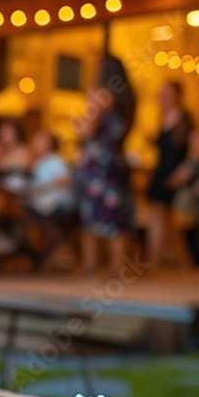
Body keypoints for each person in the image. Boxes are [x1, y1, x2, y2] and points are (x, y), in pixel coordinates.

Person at [76, 55, 136, 275]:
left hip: (98, 166)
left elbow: (88, 130)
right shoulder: (127, 97)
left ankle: (91, 265)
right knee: (116, 218)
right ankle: (117, 266)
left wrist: (80, 126)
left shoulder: (100, 95)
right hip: (117, 163)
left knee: (92, 216)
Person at [145, 81, 199, 269]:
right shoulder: (162, 117)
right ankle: (184, 260)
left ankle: (154, 260)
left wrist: (183, 174)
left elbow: (196, 152)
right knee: (165, 218)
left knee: (163, 217)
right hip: (160, 171)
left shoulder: (186, 119)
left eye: (167, 93)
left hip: (175, 173)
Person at [28, 130, 76, 269]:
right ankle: (50, 254)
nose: (38, 145)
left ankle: (57, 251)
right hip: (43, 203)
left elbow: (65, 180)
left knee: (33, 216)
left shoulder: (55, 160)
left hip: (59, 203)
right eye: (36, 141)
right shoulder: (38, 162)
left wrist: (44, 187)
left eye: (42, 141)